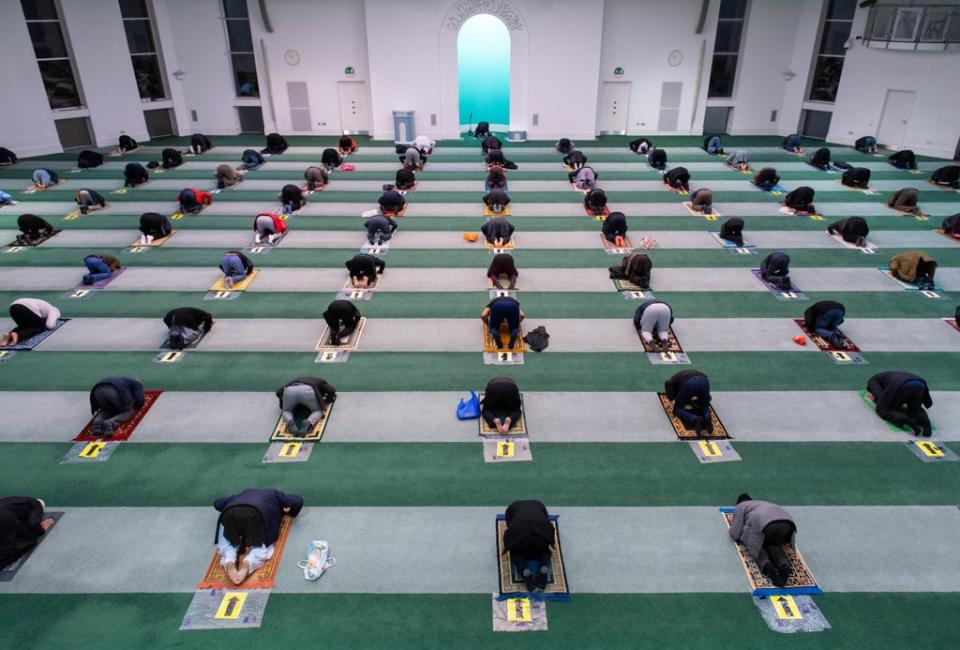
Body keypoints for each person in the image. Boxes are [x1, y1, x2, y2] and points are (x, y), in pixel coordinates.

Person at [213, 489, 304, 586]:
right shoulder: (276, 494)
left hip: (230, 512)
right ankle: (247, 564)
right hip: (256, 515)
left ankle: (229, 560)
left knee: (228, 540)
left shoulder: (245, 493)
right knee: (259, 546)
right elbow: (297, 501)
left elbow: (218, 503)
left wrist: (236, 501)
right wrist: (291, 512)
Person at [728, 494, 797, 588]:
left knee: (755, 544)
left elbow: (735, 532)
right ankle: (783, 565)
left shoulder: (741, 506)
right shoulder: (763, 503)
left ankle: (767, 566)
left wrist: (738, 536)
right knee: (774, 544)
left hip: (765, 523)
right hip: (787, 523)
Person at [502, 499, 554, 592]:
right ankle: (544, 566)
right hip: (540, 537)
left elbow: (509, 527)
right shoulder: (539, 503)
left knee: (516, 554)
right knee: (544, 551)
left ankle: (524, 570)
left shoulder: (510, 508)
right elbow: (547, 522)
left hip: (521, 539)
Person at [866, 372, 932, 437]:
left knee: (883, 410)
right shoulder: (888, 375)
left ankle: (907, 421)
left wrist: (875, 399)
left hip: (902, 385)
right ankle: (926, 424)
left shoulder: (872, 381)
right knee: (914, 409)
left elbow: (880, 397)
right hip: (920, 384)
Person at [0, 497, 56, 571]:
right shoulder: (37, 504)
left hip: (5, 515)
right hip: (6, 517)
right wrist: (41, 529)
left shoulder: (17, 501)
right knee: (29, 541)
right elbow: (33, 523)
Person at [664, 370, 713, 435]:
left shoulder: (672, 381)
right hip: (704, 381)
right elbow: (708, 398)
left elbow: (671, 397)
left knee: (677, 409)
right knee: (704, 404)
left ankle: (695, 419)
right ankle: (707, 416)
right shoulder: (680, 376)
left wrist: (674, 397)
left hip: (689, 384)